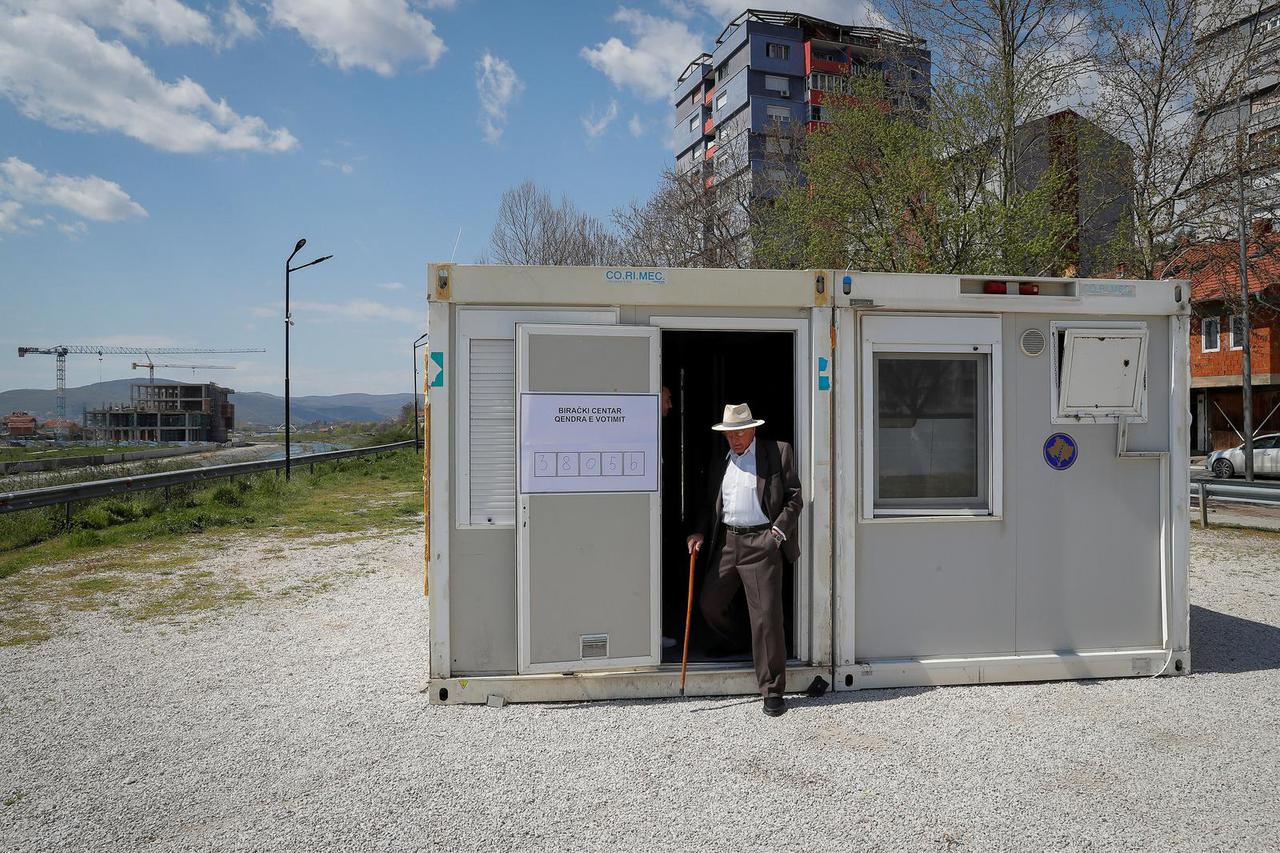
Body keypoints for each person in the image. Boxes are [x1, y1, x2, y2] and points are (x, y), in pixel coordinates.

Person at [687, 403, 802, 717]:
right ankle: (738, 640)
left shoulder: (777, 452)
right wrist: (697, 532)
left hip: (761, 542)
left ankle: (773, 690)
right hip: (727, 541)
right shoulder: (719, 461)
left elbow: (794, 496)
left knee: (766, 617)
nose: (735, 438)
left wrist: (775, 535)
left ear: (753, 429)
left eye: (740, 432)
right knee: (710, 602)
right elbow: (709, 503)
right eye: (729, 433)